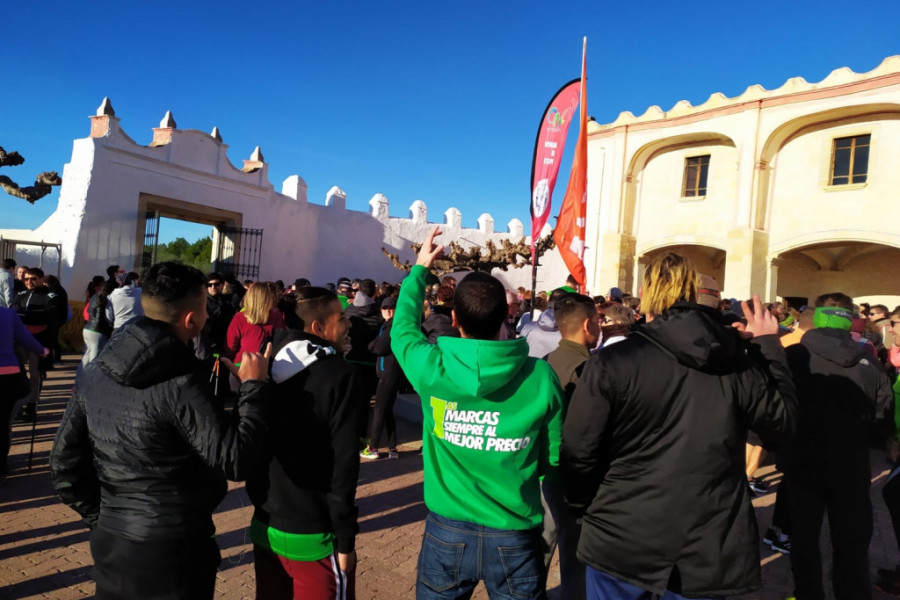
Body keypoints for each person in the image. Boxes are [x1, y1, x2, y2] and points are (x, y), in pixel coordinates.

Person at [561, 252, 798, 599]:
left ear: (648, 293)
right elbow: (783, 425)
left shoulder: (612, 361)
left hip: (626, 533)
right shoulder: (738, 362)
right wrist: (767, 347)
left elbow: (579, 451)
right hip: (702, 542)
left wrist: (582, 508)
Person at [49, 261, 271, 600]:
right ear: (190, 318)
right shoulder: (182, 382)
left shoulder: (94, 370)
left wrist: (108, 518)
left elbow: (64, 463)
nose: (209, 316)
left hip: (117, 539)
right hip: (172, 547)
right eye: (204, 308)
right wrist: (254, 387)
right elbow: (235, 460)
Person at [392, 227, 564, 599]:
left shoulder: (433, 368)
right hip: (514, 530)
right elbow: (553, 456)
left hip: (447, 532)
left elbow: (402, 331)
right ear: (507, 315)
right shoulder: (539, 375)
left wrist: (420, 269)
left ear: (454, 318)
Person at [247, 285, 362, 600]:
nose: (348, 323)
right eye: (341, 317)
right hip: (314, 536)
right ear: (318, 328)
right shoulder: (339, 374)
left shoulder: (263, 366)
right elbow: (344, 465)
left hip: (265, 524)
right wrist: (345, 539)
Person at [784, 292, 893, 600]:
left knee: (804, 538)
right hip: (852, 465)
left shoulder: (794, 357)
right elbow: (882, 417)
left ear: (818, 317)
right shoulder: (869, 362)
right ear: (850, 319)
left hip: (802, 461)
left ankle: (808, 594)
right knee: (852, 540)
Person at [542, 293, 600, 600]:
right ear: (588, 324)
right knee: (575, 553)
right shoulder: (589, 369)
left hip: (546, 472)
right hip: (575, 474)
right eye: (599, 321)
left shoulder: (547, 362)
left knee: (541, 543)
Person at [0, 306, 47, 482]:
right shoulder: (7, 314)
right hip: (8, 376)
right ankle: (1, 467)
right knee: (3, 423)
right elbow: (26, 339)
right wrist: (43, 351)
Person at [14, 267, 63, 420]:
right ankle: (18, 406)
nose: (29, 281)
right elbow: (14, 315)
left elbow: (47, 317)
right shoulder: (20, 295)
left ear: (41, 279)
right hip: (20, 341)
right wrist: (31, 315)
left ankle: (31, 405)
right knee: (18, 374)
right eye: (26, 279)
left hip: (39, 342)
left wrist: (27, 315)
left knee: (35, 375)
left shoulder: (50, 297)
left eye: (33, 278)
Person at [361, 296, 404, 460]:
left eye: (391, 307)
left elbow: (379, 347)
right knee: (386, 411)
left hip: (388, 372)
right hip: (390, 371)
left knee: (379, 411)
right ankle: (393, 448)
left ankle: (373, 448)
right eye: (384, 307)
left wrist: (373, 345)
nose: (387, 310)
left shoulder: (391, 326)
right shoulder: (389, 325)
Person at [226, 282, 285, 359]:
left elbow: (230, 347)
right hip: (267, 364)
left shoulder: (240, 317)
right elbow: (281, 340)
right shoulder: (276, 315)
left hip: (242, 364)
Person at [81, 279, 115, 369]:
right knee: (95, 357)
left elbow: (88, 311)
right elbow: (109, 317)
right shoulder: (107, 300)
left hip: (88, 329)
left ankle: (81, 374)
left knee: (87, 354)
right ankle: (91, 378)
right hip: (98, 331)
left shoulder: (94, 297)